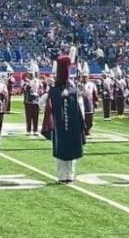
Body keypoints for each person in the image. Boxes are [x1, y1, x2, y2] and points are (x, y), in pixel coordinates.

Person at [41, 47, 84, 184]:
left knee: (63, 150)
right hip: (70, 126)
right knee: (68, 150)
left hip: (62, 126)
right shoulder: (72, 91)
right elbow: (81, 108)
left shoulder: (54, 91)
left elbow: (42, 103)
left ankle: (64, 175)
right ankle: (68, 175)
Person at [23, 61, 42, 135]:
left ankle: (35, 130)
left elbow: (41, 89)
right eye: (30, 74)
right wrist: (29, 84)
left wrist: (39, 92)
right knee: (28, 116)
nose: (31, 75)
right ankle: (28, 130)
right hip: (28, 101)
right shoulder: (25, 81)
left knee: (35, 116)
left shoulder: (37, 81)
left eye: (32, 74)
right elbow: (24, 89)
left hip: (36, 101)